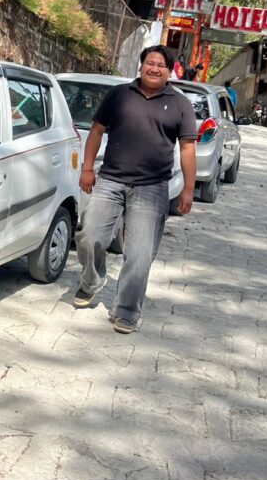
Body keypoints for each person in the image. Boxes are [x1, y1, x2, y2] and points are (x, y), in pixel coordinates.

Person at [74, 45, 197, 334]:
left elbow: (187, 148)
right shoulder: (119, 95)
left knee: (140, 253)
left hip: (152, 188)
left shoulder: (180, 104)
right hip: (111, 180)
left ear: (170, 71)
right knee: (90, 235)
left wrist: (188, 189)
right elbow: (96, 131)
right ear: (141, 66)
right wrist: (87, 168)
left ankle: (127, 310)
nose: (154, 69)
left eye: (161, 65)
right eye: (150, 63)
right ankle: (91, 281)